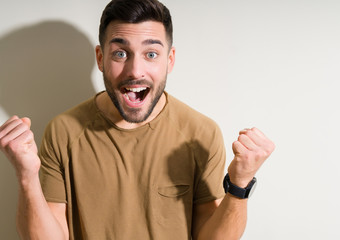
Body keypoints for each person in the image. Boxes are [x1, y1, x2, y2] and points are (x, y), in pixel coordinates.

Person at [0, 0, 275, 239]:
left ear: (170, 60)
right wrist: (26, 176)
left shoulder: (200, 132)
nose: (135, 70)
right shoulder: (64, 131)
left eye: (151, 54)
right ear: (101, 58)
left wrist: (240, 184)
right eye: (120, 53)